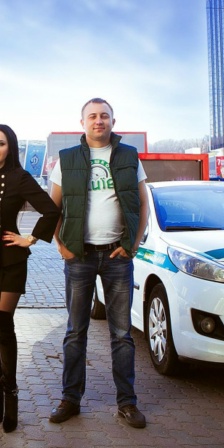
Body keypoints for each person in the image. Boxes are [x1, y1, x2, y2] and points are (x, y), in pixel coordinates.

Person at [48, 98, 150, 429]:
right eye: (92, 116)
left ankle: (127, 403)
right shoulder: (67, 159)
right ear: (83, 123)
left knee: (121, 334)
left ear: (112, 121)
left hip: (117, 255)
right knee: (75, 331)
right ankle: (70, 399)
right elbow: (53, 207)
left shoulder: (129, 156)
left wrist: (134, 243)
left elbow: (142, 202)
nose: (98, 120)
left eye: (104, 115)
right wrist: (60, 244)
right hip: (80, 256)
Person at [0, 124, 60, 433]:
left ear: (10, 147)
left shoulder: (19, 177)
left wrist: (29, 238)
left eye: (1, 143)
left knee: (2, 324)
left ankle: (11, 394)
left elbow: (50, 211)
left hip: (10, 261)